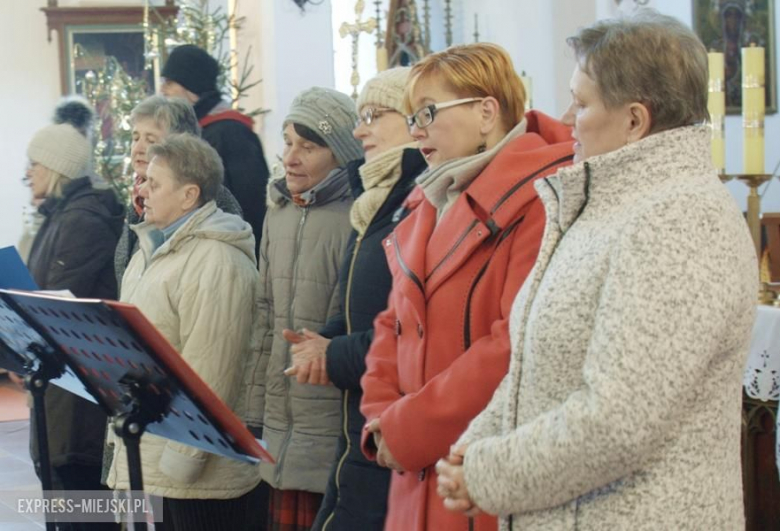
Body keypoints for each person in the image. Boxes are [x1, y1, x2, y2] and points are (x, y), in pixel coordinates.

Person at [436, 12, 757, 531]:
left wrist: (491, 472)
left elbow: (620, 420)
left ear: (635, 120)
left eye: (581, 103)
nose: (565, 117)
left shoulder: (678, 220)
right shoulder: (608, 208)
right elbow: (538, 365)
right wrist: (478, 445)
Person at [358, 43, 574, 531]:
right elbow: (391, 323)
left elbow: (513, 343)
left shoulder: (544, 199)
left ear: (486, 111)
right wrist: (382, 420)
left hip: (477, 473)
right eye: (412, 116)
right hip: (412, 472)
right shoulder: (430, 198)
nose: (415, 131)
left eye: (428, 113)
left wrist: (408, 428)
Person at [281, 68, 428, 531]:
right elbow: (355, 304)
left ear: (413, 120)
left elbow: (420, 332)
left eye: (372, 116)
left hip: (392, 438)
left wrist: (335, 353)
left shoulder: (421, 202)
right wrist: (322, 341)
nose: (359, 129)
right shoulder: (376, 203)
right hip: (355, 434)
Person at [106, 133, 261, 531]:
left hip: (197, 476)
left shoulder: (217, 259)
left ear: (189, 195)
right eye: (143, 181)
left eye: (154, 184)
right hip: (150, 452)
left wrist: (182, 462)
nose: (142, 190)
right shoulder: (149, 251)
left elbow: (212, 370)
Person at [242, 87, 363, 531]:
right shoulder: (278, 212)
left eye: (307, 147)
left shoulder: (358, 215)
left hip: (329, 423)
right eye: (288, 142)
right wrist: (254, 413)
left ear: (341, 154)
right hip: (279, 421)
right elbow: (264, 313)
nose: (291, 157)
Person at [25, 120, 124, 531]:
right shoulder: (58, 216)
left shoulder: (82, 220)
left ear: (56, 167)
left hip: (79, 398)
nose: (28, 172)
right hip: (60, 392)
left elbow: (58, 303)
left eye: (34, 164)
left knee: (85, 513)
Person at [113, 95, 242, 288]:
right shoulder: (139, 198)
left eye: (150, 140)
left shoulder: (212, 198)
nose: (138, 148)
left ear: (178, 146)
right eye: (135, 138)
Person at [160, 44, 270, 257]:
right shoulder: (194, 130)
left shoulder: (230, 131)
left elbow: (250, 203)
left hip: (228, 251)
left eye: (170, 83)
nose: (163, 90)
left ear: (191, 88)